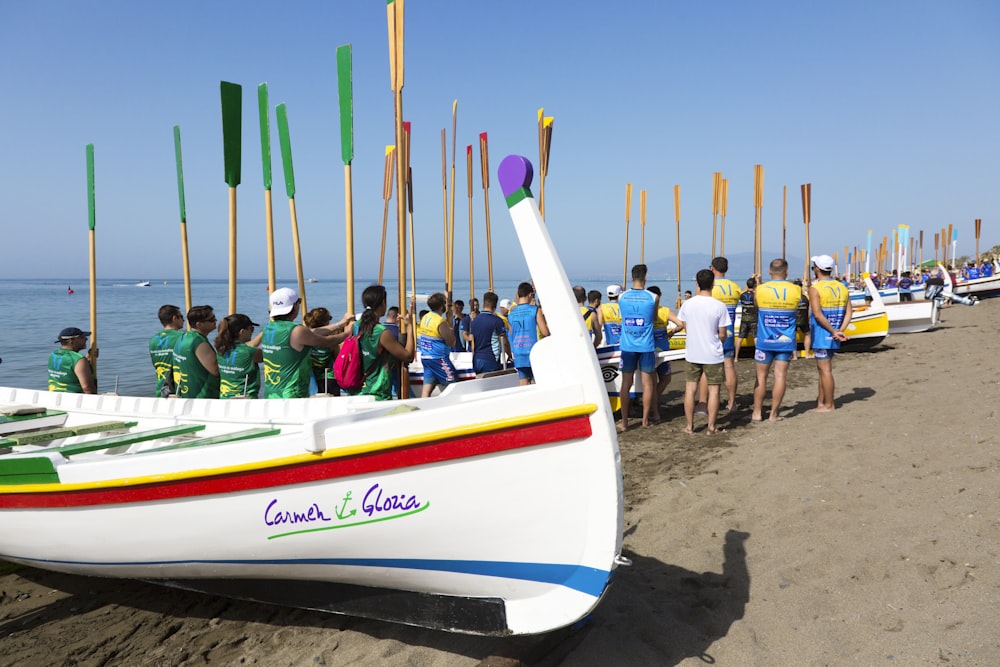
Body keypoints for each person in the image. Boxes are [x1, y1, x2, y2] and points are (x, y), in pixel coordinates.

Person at [261, 288, 353, 399]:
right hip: (292, 394)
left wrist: (339, 324)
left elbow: (312, 332)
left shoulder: (268, 328)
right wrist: (347, 333)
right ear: (295, 306)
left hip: (271, 393)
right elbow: (326, 342)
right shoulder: (297, 330)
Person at [678, 270, 730, 434]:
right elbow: (722, 334)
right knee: (714, 390)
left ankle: (689, 426)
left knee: (690, 389)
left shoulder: (688, 304)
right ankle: (711, 426)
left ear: (697, 284)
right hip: (712, 353)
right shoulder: (719, 306)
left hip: (693, 351)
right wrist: (718, 341)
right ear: (713, 283)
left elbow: (686, 327)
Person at [752, 259, 802, 422]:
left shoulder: (760, 289)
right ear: (786, 271)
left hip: (765, 340)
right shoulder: (796, 290)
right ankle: (773, 414)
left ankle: (757, 413)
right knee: (780, 376)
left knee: (761, 377)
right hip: (785, 341)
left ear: (769, 271)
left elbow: (756, 306)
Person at [351, 285, 416, 401]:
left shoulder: (355, 326)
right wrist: (410, 326)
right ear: (383, 303)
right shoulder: (382, 332)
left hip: (358, 389)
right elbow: (408, 356)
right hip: (378, 392)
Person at [808, 254, 853, 412]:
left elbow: (818, 314)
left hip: (823, 333)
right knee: (822, 369)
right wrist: (840, 330)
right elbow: (849, 312)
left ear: (817, 269)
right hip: (834, 333)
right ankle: (821, 401)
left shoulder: (815, 288)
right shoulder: (842, 286)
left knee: (825, 369)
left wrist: (834, 331)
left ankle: (829, 404)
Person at [697, 257, 741, 414]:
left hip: (709, 332)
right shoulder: (735, 287)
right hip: (728, 331)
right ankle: (732, 402)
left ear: (712, 268)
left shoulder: (709, 286)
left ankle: (703, 404)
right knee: (729, 365)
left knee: (704, 368)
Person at [617, 264, 658, 430]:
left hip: (627, 345)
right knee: (647, 384)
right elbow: (653, 317)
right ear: (645, 277)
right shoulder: (653, 297)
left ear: (631, 277)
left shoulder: (622, 297)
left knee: (626, 384)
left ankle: (625, 422)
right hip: (646, 345)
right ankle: (645, 420)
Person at [647, 286, 684, 411]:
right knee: (665, 378)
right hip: (662, 347)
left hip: (648, 346)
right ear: (660, 296)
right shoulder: (665, 311)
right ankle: (654, 400)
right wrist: (672, 332)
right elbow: (680, 325)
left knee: (647, 379)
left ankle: (649, 401)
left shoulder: (644, 310)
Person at [172, 305, 220, 399]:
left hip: (187, 393)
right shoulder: (198, 341)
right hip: (203, 396)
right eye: (211, 319)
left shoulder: (183, 337)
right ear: (199, 324)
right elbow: (216, 370)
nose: (215, 321)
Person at [508, 281, 550, 386]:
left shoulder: (511, 313)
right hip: (533, 351)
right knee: (536, 382)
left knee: (523, 381)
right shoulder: (535, 310)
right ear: (530, 294)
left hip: (518, 351)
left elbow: (512, 334)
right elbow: (545, 332)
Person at [418, 292, 459, 397]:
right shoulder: (440, 322)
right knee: (454, 386)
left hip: (426, 357)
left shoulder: (425, 317)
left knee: (426, 391)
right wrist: (451, 327)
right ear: (441, 306)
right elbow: (451, 342)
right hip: (439, 359)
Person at [215, 314, 263, 399]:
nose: (252, 332)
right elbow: (272, 355)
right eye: (251, 329)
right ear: (242, 332)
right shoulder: (250, 352)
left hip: (224, 399)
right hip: (245, 401)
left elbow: (247, 348)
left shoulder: (221, 350)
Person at [466, 291, 511, 374]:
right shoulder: (497, 321)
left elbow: (472, 340)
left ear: (483, 304)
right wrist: (510, 356)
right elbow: (504, 342)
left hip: (476, 359)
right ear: (495, 306)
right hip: (490, 359)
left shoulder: (474, 320)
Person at [48, 327, 97, 394]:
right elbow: (87, 387)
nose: (86, 339)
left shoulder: (53, 355)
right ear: (71, 341)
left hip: (54, 395)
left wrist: (88, 358)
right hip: (74, 398)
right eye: (82, 337)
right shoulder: (78, 359)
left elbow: (68, 370)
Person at [149, 304, 184, 397]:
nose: (183, 320)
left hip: (161, 389)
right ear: (174, 318)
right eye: (181, 316)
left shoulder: (153, 340)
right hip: (177, 389)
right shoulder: (182, 337)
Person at [303, 307, 339, 396]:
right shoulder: (331, 341)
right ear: (326, 322)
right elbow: (339, 359)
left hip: (310, 378)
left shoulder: (305, 339)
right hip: (328, 378)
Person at [734, 276, 758, 361]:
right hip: (753, 319)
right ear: (754, 285)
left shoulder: (742, 295)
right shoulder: (755, 295)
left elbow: (744, 289)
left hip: (744, 319)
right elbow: (757, 305)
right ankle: (758, 356)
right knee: (755, 338)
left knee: (740, 338)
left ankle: (736, 357)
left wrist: (752, 279)